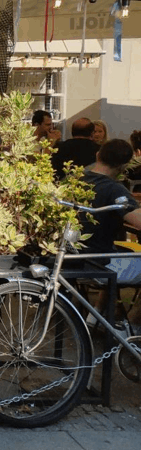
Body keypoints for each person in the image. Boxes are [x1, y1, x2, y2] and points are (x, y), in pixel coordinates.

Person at [80, 139, 141, 334]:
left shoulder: (77, 180)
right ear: (123, 166)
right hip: (100, 264)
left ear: (98, 154)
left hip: (77, 259)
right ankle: (132, 328)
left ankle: (94, 316)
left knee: (117, 251)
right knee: (119, 254)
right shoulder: (114, 189)